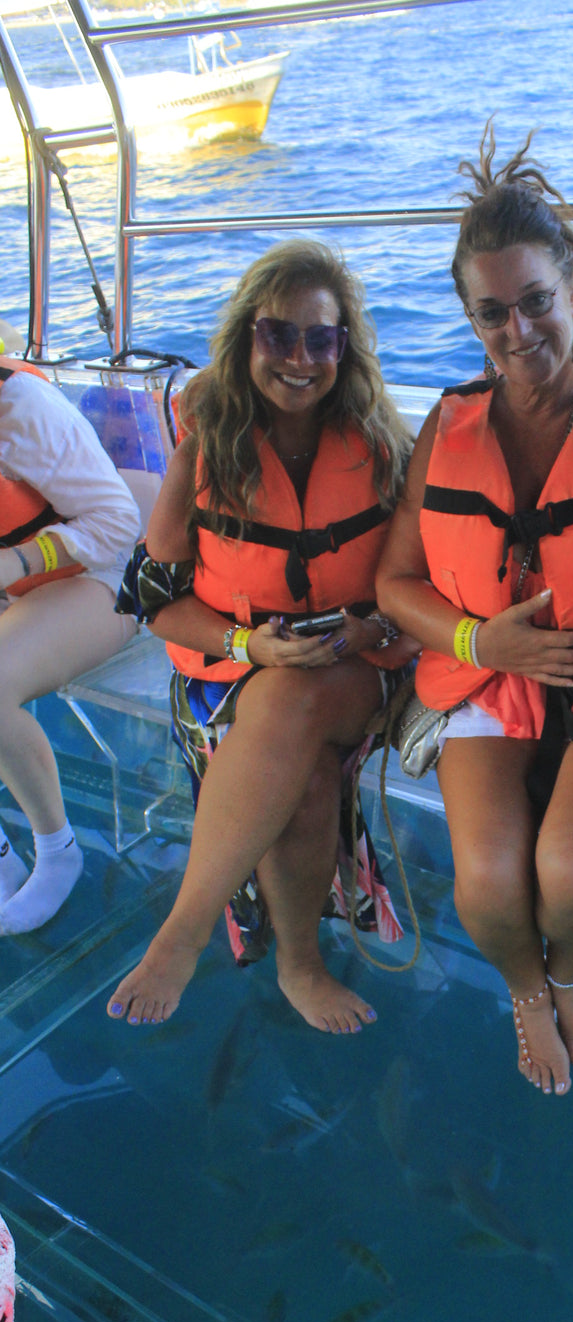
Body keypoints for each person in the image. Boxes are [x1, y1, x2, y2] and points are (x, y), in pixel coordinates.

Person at [376, 128, 573, 1097]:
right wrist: (483, 639)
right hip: (489, 675)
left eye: (537, 303)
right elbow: (396, 584)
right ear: (471, 317)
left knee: (572, 873)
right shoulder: (448, 421)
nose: (519, 333)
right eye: (492, 313)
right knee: (485, 884)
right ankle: (524, 991)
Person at [107, 239, 416, 1034]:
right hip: (235, 673)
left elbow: (430, 586)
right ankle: (299, 966)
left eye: (322, 338)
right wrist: (252, 648)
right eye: (279, 335)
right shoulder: (202, 453)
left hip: (364, 669)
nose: (300, 358)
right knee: (303, 765)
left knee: (292, 704)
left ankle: (183, 932)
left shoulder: (384, 449)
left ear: (345, 349)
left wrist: (372, 626)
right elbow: (156, 604)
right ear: (247, 339)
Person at [0, 356, 140, 934]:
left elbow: (117, 522)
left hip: (98, 577)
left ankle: (58, 849)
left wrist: (14, 562)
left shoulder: (20, 409)